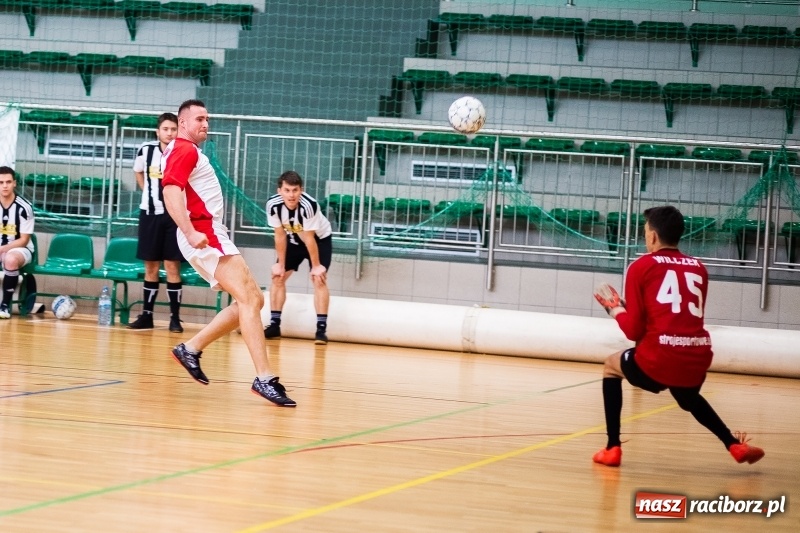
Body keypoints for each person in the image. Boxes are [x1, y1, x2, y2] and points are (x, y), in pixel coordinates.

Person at [592, 205, 764, 467]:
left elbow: (633, 331)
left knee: (610, 366)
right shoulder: (698, 268)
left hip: (659, 358)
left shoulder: (641, 266)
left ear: (652, 236)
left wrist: (615, 310)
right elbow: (674, 315)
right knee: (686, 397)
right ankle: (733, 444)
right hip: (696, 358)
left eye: (645, 232)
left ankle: (612, 447)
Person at [161, 99, 295, 407]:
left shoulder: (186, 150)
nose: (205, 124)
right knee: (249, 299)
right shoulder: (185, 149)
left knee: (253, 299)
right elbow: (170, 191)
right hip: (204, 232)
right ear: (183, 123)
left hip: (209, 231)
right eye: (199, 119)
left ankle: (190, 349)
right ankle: (264, 378)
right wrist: (190, 231)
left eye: (207, 118)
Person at [128, 112, 184, 333]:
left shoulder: (184, 152)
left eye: (173, 129)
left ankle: (175, 318)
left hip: (174, 216)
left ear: (178, 131)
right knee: (150, 266)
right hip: (150, 214)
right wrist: (146, 192)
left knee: (171, 266)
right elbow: (138, 171)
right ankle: (147, 316)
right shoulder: (146, 150)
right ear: (157, 131)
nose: (169, 133)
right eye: (165, 129)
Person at [264, 170, 333, 344]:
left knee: (318, 279)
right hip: (293, 238)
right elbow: (279, 234)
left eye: (295, 190)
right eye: (287, 190)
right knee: (278, 277)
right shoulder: (273, 205)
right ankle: (274, 325)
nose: (291, 195)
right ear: (280, 190)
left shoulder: (309, 205)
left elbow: (309, 238)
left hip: (319, 240)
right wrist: (280, 264)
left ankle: (321, 330)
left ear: (301, 190)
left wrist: (316, 267)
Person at [0, 167, 35, 319]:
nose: (5, 186)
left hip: (21, 249)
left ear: (14, 183)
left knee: (10, 259)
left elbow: (24, 239)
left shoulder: (24, 207)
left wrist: (2, 249)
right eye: (1, 182)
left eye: (8, 182)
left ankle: (5, 306)